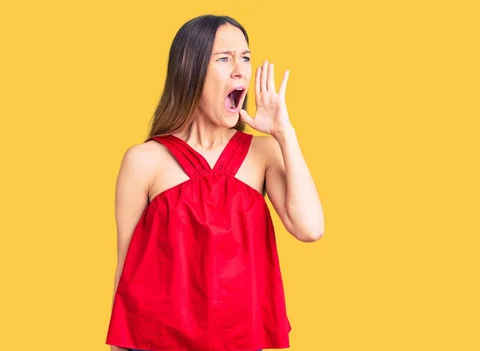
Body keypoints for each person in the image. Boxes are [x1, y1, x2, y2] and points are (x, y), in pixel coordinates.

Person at [104, 14, 325, 351]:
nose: (240, 70)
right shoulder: (143, 160)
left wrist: (284, 133)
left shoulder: (263, 152)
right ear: (189, 69)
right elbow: (126, 272)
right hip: (156, 343)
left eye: (245, 58)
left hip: (239, 341)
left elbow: (309, 228)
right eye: (224, 58)